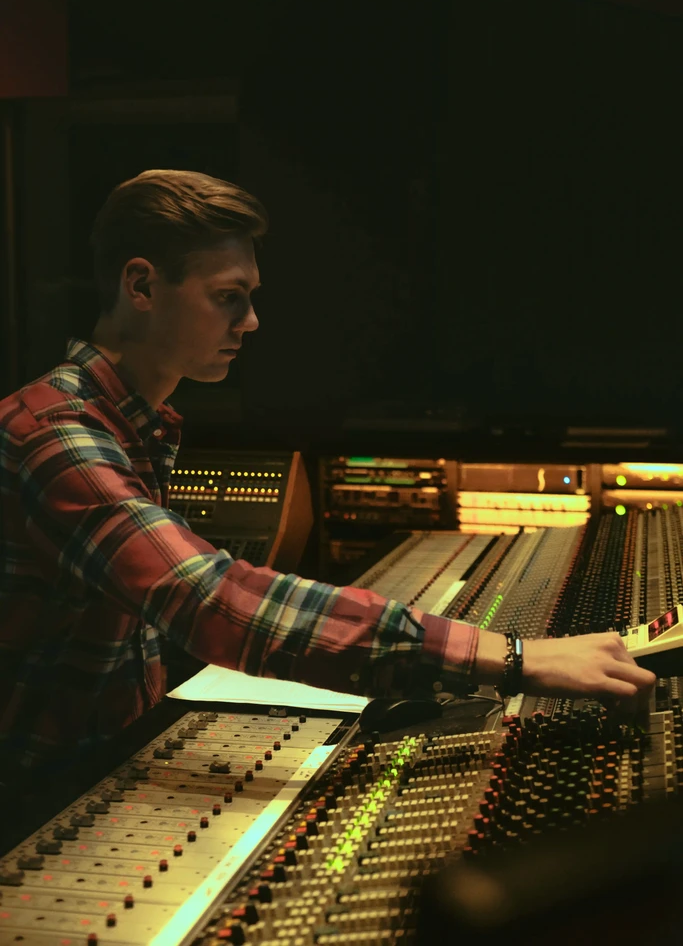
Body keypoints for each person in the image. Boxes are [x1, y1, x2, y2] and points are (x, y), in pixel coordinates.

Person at [0, 169, 654, 781]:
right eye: (228, 297)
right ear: (141, 287)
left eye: (249, 298)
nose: (250, 321)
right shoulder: (53, 434)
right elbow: (204, 598)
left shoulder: (132, 424)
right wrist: (512, 659)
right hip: (34, 799)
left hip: (101, 766)